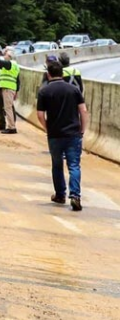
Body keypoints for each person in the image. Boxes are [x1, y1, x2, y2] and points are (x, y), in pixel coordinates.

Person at [37, 61, 88, 212]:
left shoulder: (44, 91)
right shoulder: (74, 90)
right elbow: (83, 111)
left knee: (57, 165)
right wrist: (82, 130)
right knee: (74, 165)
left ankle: (60, 195)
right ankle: (75, 196)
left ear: (48, 74)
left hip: (55, 134)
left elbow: (40, 114)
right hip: (73, 133)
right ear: (63, 73)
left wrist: (47, 128)